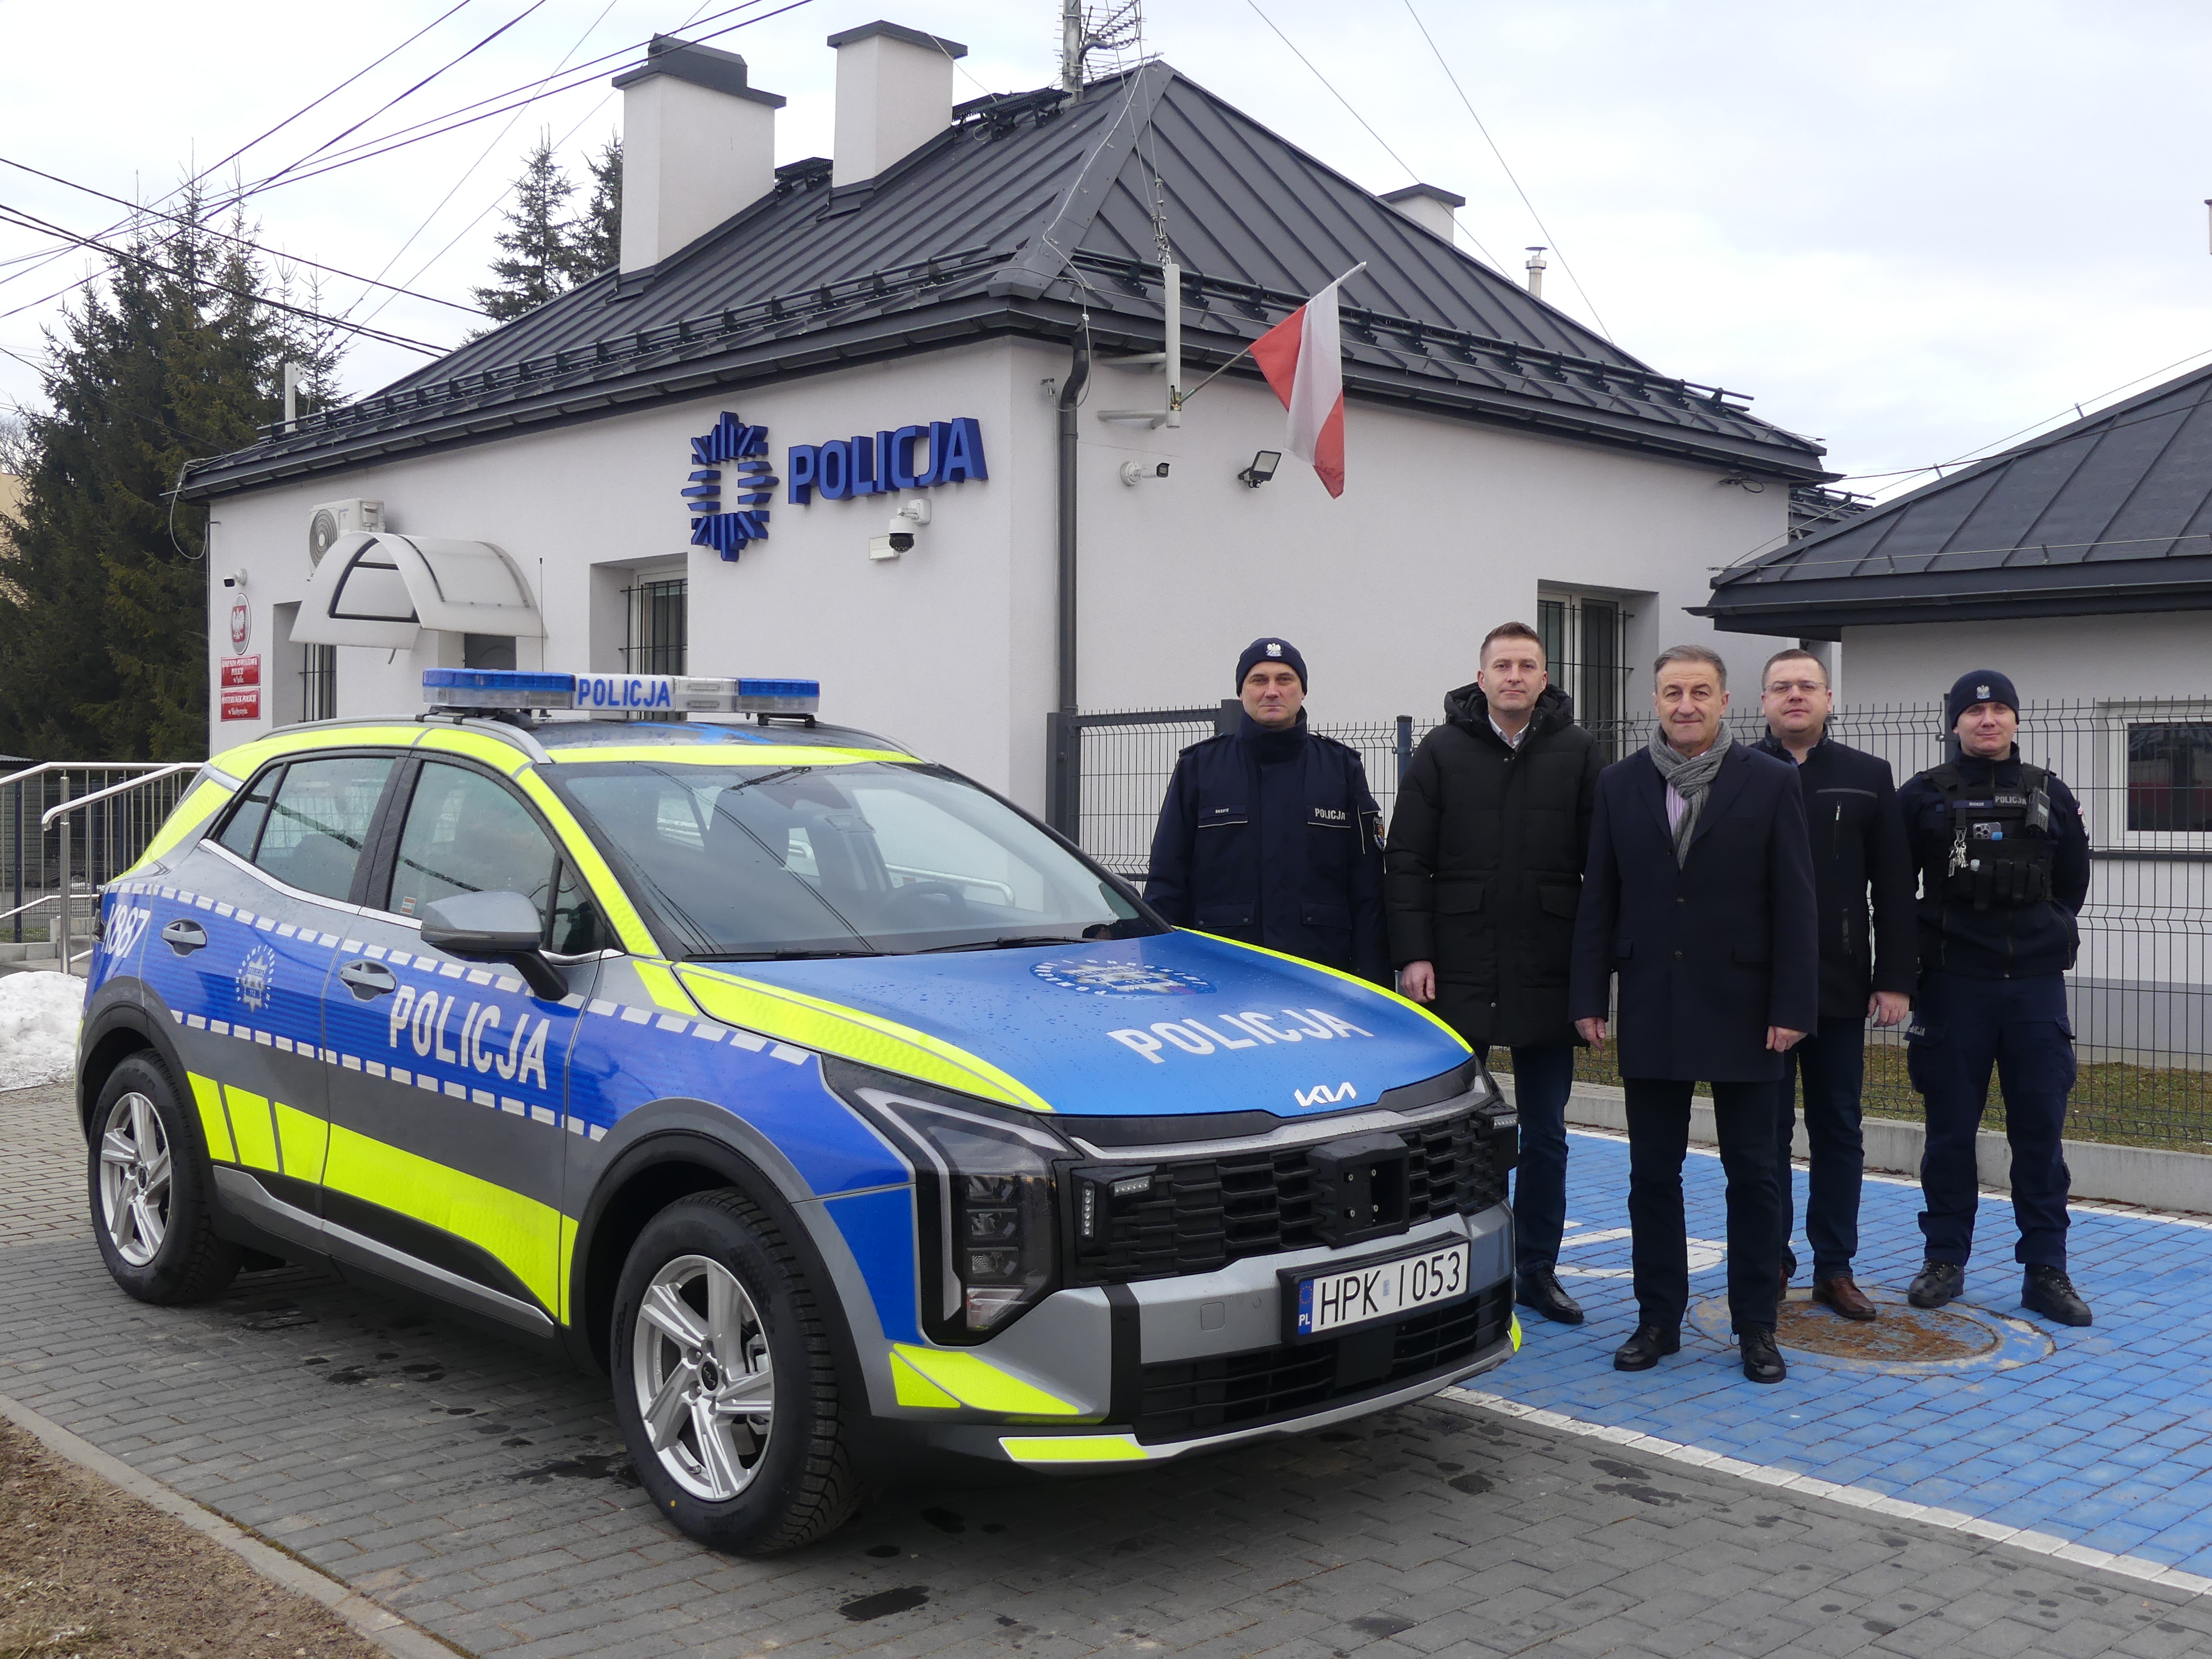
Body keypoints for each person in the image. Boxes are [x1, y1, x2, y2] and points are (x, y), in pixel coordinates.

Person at [1569, 644, 1818, 1384]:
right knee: (1652, 1175)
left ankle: (1755, 1328)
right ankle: (1658, 1320)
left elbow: (1797, 905)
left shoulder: (1770, 783)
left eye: (1699, 692)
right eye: (1673, 692)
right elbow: (1599, 900)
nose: (1685, 705)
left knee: (1755, 1175)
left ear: (1723, 700)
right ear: (1656, 701)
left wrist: (1792, 1005)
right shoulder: (1619, 784)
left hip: (1747, 1012)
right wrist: (1589, 997)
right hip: (1654, 1005)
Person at [1386, 620, 1602, 1326]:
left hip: (1547, 970)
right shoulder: (1441, 752)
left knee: (1545, 1135)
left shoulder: (1576, 752)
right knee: (1451, 1133)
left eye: (1527, 666)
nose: (1514, 676)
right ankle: (1447, 1268)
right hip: (1456, 970)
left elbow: (1601, 872)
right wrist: (1414, 954)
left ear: (1545, 679)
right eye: (1502, 665)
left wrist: (1590, 980)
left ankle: (1536, 1269)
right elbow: (1407, 861)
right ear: (1479, 679)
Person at [1897, 671, 2093, 1326]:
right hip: (1954, 987)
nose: (1987, 720)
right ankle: (1944, 1259)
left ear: (2014, 720)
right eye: (1974, 710)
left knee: (2039, 1133)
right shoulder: (1920, 797)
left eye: (1999, 709)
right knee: (1949, 1133)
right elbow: (1895, 891)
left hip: (2034, 990)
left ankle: (2046, 1270)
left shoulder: (2050, 792)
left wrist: (2050, 933)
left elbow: (2071, 883)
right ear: (1953, 722)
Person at [1754, 649, 1917, 1321]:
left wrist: (1894, 979)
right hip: (1758, 989)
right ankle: (1771, 1257)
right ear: (1762, 701)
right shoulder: (1737, 773)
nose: (1795, 697)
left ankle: (1833, 1266)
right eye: (1781, 687)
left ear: (1827, 698)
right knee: (1764, 1130)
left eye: (1807, 687)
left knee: (1837, 1127)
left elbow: (1895, 889)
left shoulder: (1867, 776)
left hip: (1841, 985)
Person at [1145, 638, 1389, 983]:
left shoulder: (1341, 769)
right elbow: (1167, 880)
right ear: (1242, 692)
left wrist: (1373, 981)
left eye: (1284, 679)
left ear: (1303, 691)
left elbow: (1367, 886)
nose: (1272, 691)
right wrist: (1162, 972)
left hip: (1320, 972)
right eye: (1259, 680)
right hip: (1221, 970)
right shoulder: (1199, 767)